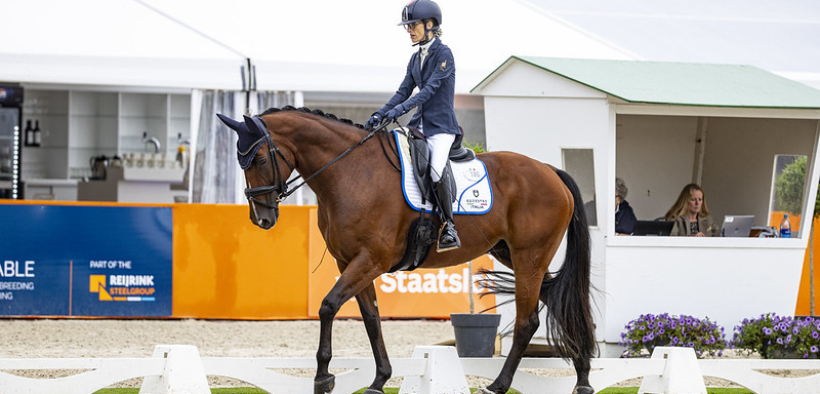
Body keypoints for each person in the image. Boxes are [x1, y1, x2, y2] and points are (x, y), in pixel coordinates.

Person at [365, 0, 461, 252]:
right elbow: (403, 92)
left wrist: (399, 111)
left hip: (441, 127)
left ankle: (449, 227)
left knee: (436, 170)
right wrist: (381, 113)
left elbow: (428, 92)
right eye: (407, 26)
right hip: (419, 126)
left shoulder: (444, 54)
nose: (409, 30)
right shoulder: (415, 58)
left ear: (430, 25)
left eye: (413, 25)